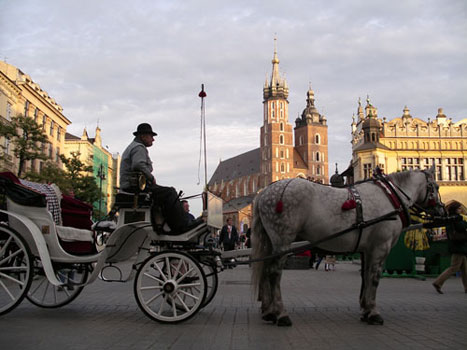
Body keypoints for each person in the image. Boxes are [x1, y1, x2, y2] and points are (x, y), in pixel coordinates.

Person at [120, 123, 203, 234]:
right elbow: (138, 164)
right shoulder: (139, 147)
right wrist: (151, 177)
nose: (153, 139)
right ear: (143, 136)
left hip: (133, 186)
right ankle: (181, 225)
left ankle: (167, 225)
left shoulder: (135, 146)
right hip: (133, 187)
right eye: (151, 136)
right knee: (170, 192)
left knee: (166, 193)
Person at [432, 201, 467, 294]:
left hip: (460, 246)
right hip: (458, 246)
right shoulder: (456, 219)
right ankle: (438, 282)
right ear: (455, 209)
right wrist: (464, 222)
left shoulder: (450, 219)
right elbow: (461, 227)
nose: (461, 210)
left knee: (465, 269)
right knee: (454, 268)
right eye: (459, 208)